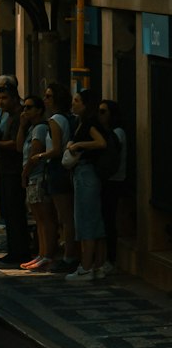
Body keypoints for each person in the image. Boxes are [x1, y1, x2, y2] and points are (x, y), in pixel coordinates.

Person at [64, 88, 111, 283]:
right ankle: (98, 266)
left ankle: (85, 267)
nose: (73, 103)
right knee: (94, 221)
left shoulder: (89, 123)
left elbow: (101, 143)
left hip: (86, 173)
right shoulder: (81, 122)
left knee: (85, 221)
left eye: (77, 100)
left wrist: (78, 145)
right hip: (85, 174)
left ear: (85, 104)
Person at [0, 76, 31, 266]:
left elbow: (16, 144)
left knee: (15, 212)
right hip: (5, 169)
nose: (1, 102)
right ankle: (14, 249)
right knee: (9, 212)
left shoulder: (19, 117)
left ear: (15, 97)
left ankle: (20, 250)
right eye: (0, 98)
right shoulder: (7, 116)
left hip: (14, 170)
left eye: (5, 98)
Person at [18, 95, 57, 271]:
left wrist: (24, 174)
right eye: (24, 107)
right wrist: (21, 125)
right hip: (32, 177)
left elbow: (35, 153)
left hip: (38, 176)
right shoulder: (30, 128)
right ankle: (41, 254)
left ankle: (48, 255)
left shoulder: (40, 129)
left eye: (29, 107)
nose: (25, 111)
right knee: (38, 218)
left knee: (45, 217)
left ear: (39, 110)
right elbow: (20, 148)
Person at [42, 82, 78, 275]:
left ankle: (69, 256)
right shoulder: (69, 118)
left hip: (57, 170)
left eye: (48, 96)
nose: (45, 100)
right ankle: (68, 252)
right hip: (65, 171)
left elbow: (55, 149)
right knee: (66, 216)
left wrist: (38, 157)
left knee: (65, 217)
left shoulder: (55, 120)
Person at [98, 99, 128, 268]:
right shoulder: (111, 133)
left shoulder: (117, 133)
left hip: (113, 181)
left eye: (103, 112)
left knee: (108, 219)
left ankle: (111, 258)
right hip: (109, 180)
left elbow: (111, 159)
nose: (100, 115)